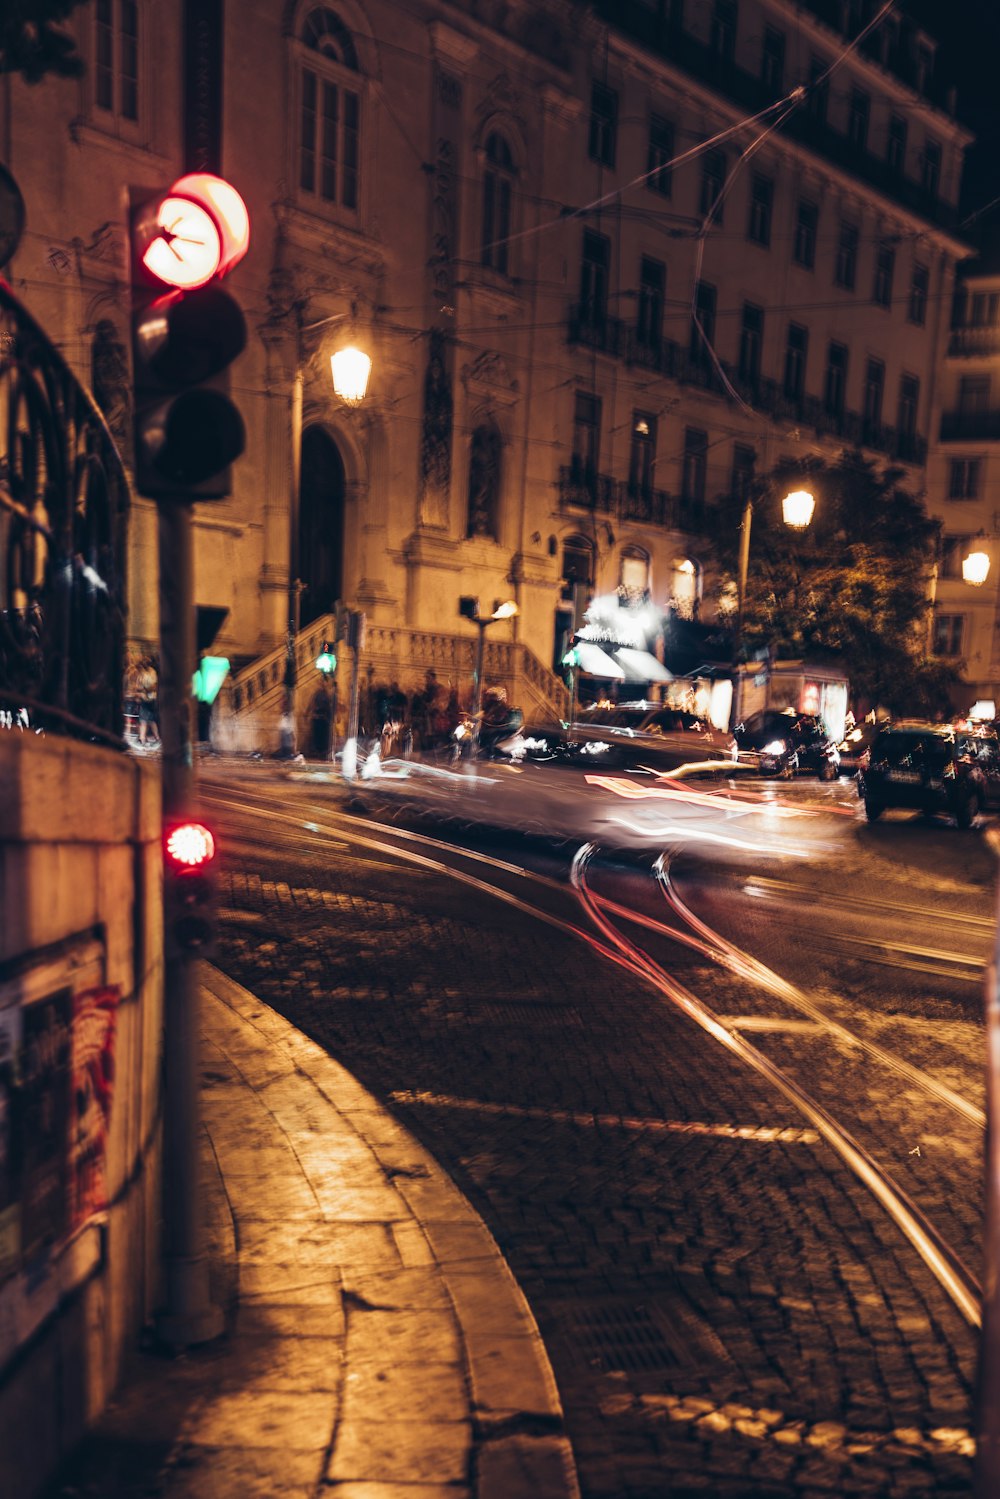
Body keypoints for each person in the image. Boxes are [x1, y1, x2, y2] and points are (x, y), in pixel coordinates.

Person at [135, 655, 159, 747]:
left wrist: (143, 689)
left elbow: (153, 686)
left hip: (149, 699)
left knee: (145, 720)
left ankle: (143, 739)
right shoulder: (144, 673)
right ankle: (146, 739)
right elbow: (138, 686)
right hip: (145, 698)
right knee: (148, 720)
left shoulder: (151, 672)